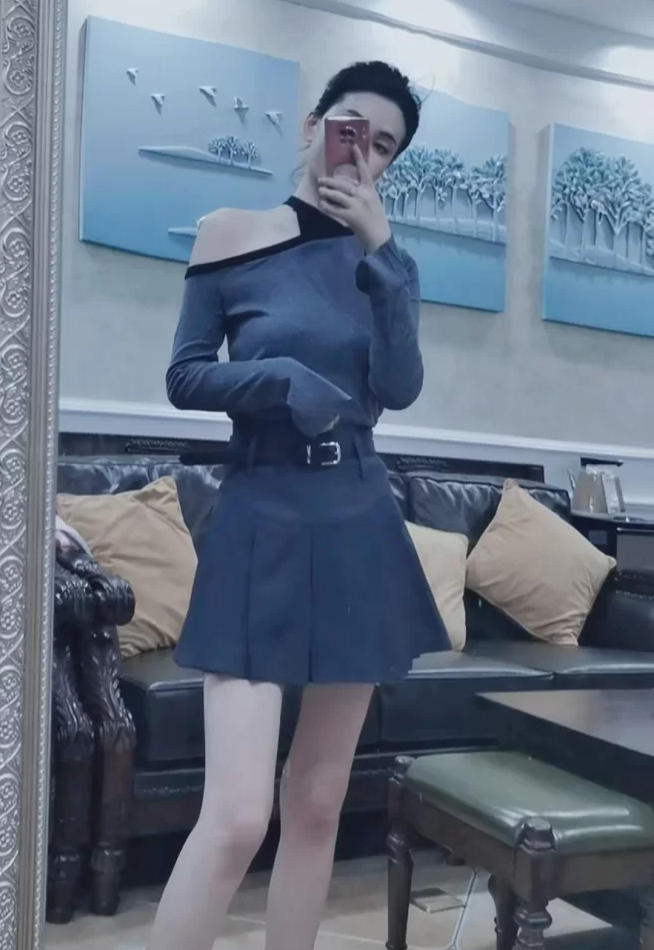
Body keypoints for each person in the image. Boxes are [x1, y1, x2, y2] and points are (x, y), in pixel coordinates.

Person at [146, 61, 450, 950]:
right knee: (238, 815)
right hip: (261, 511)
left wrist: (382, 255)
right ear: (314, 123)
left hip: (357, 515)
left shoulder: (385, 262)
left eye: (383, 146)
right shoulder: (230, 233)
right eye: (352, 126)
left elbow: (400, 384)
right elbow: (185, 375)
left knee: (317, 801)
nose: (363, 152)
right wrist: (275, 378)